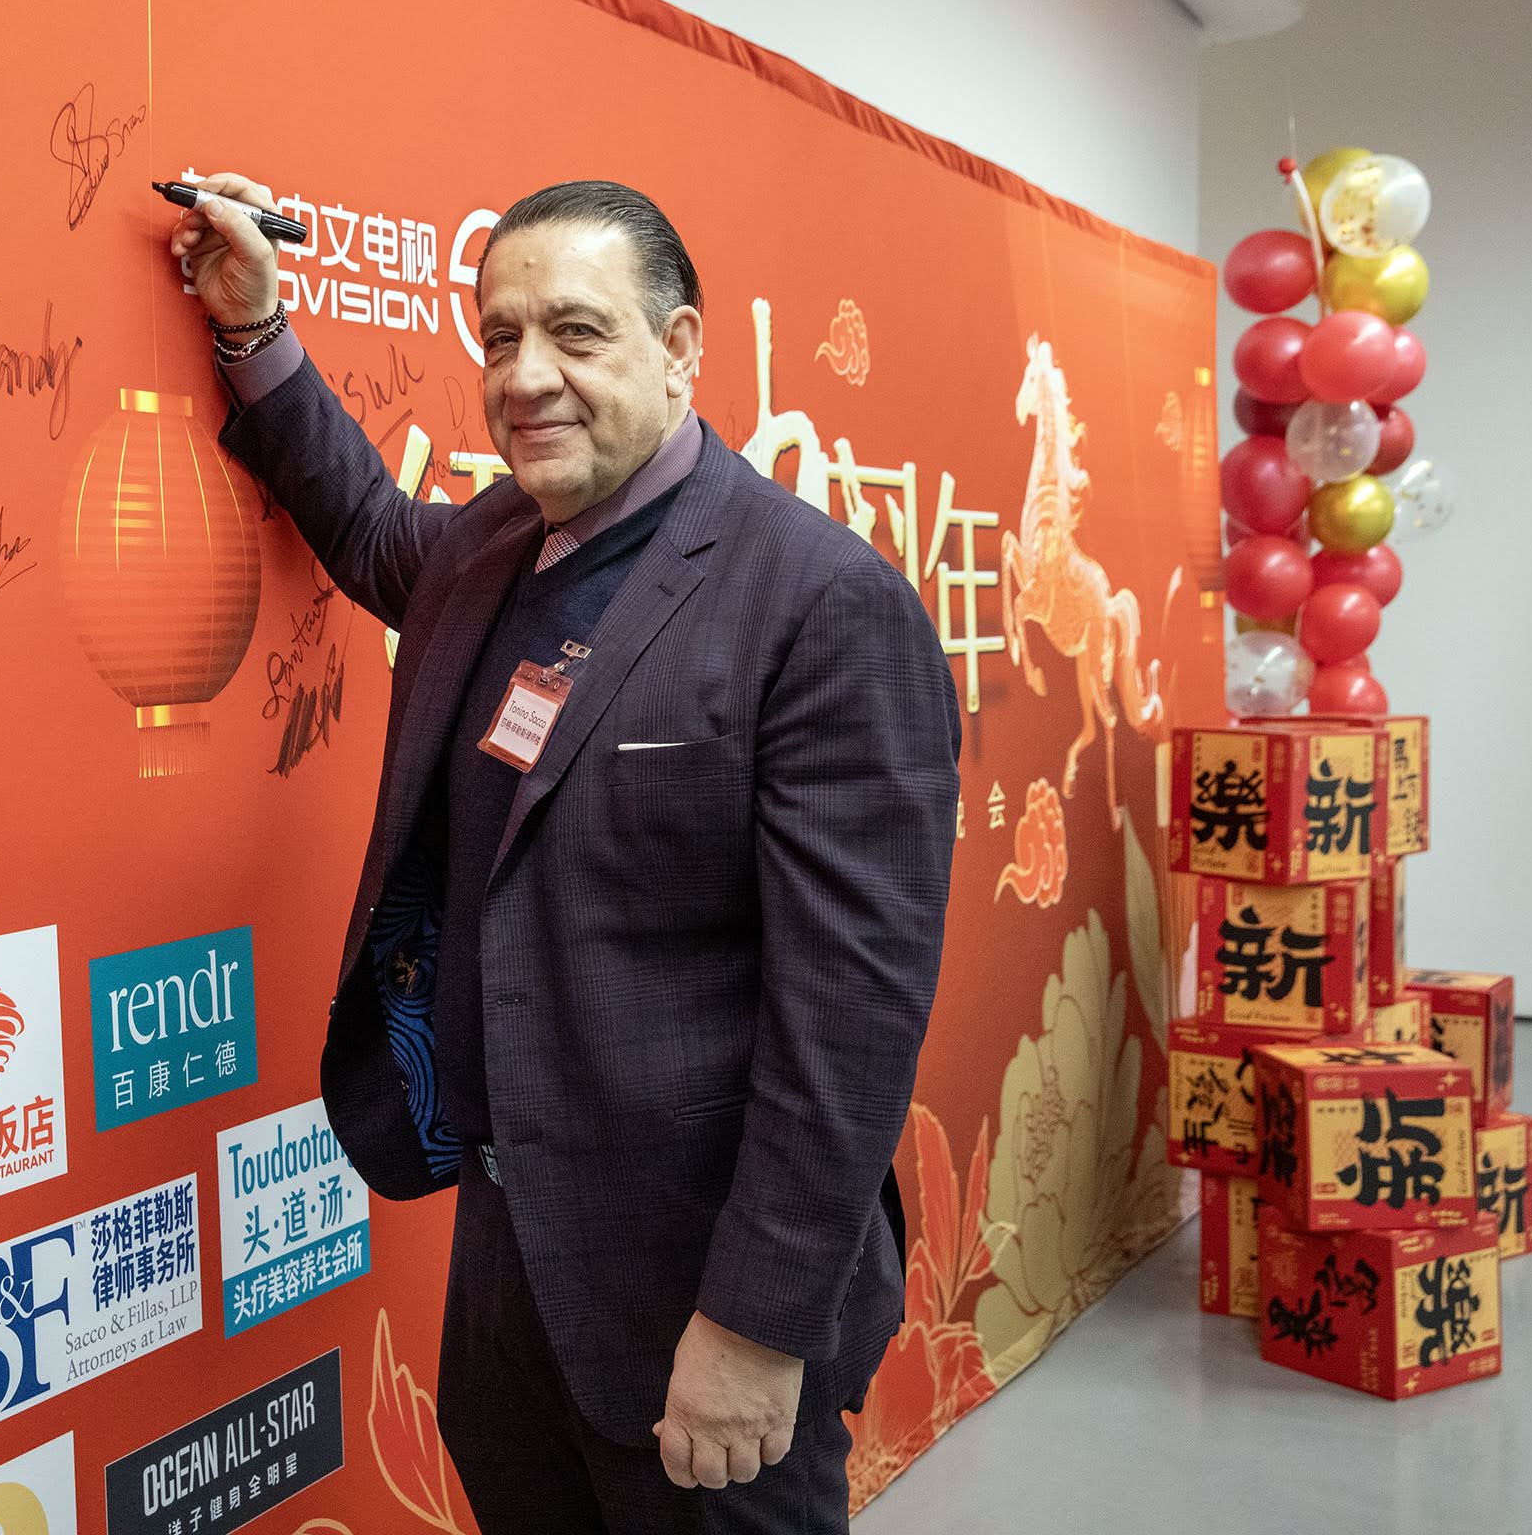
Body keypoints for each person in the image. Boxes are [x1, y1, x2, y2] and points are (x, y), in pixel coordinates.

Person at [168, 175, 960, 1533]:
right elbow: (371, 528)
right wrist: (255, 332)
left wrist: (754, 1329)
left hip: (696, 1294)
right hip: (511, 1265)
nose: (527, 376)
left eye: (578, 333)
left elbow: (852, 1028)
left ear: (680, 347)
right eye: (500, 337)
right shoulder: (493, 547)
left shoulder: (819, 605)